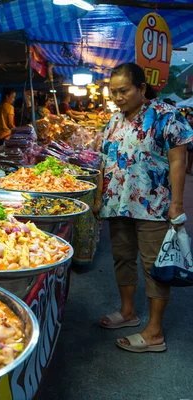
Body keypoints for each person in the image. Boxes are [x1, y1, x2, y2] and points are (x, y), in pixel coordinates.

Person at [92, 63, 193, 353]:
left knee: (153, 266)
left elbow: (178, 160)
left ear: (142, 88)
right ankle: (127, 312)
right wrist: (100, 198)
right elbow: (104, 160)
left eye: (123, 91)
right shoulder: (113, 121)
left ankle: (154, 332)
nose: (117, 97)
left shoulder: (166, 116)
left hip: (153, 206)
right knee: (122, 259)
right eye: (113, 92)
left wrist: (176, 203)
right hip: (117, 203)